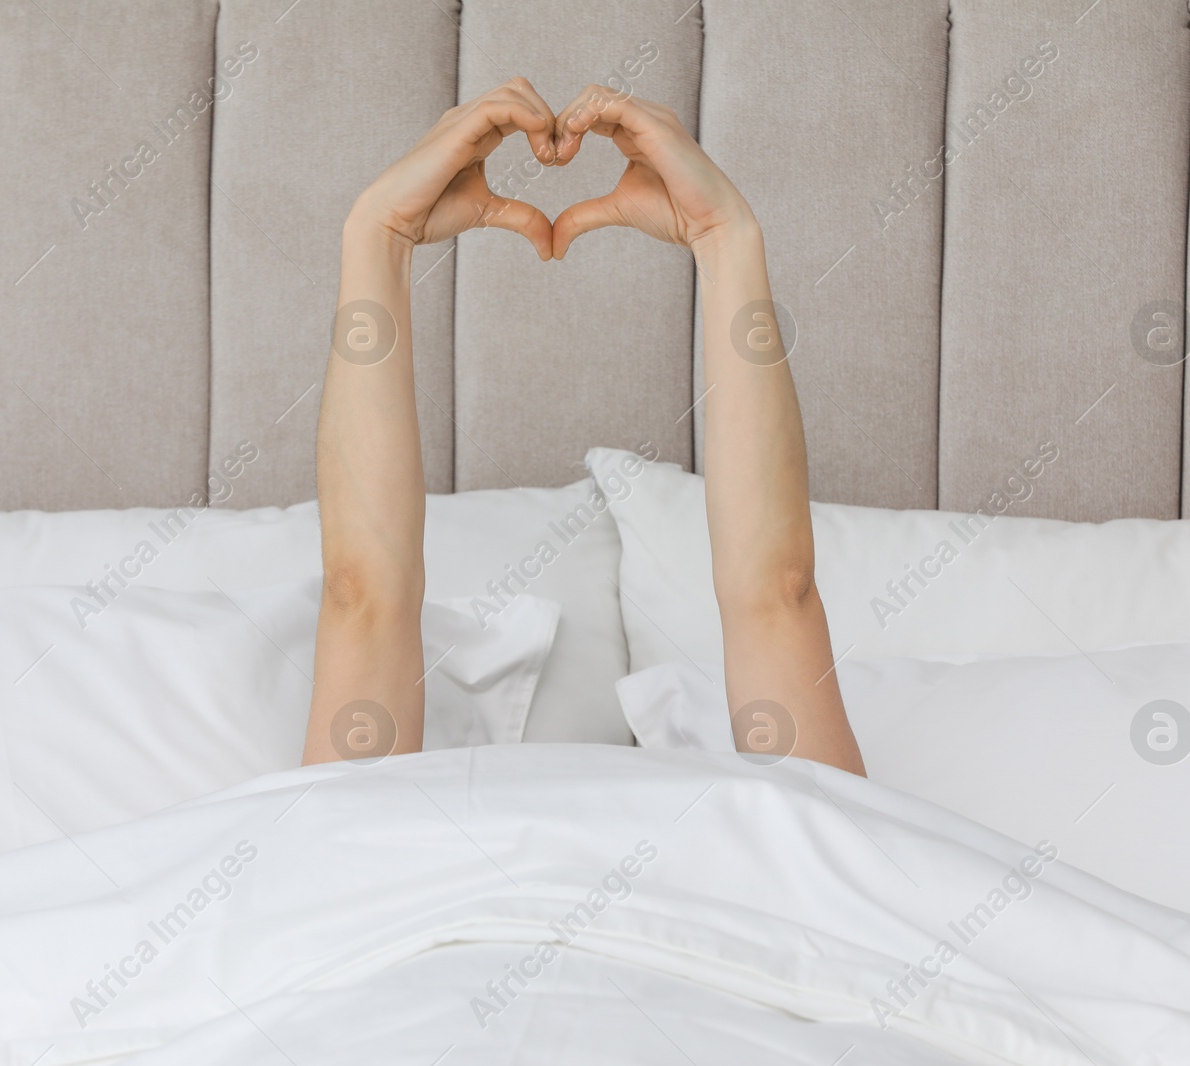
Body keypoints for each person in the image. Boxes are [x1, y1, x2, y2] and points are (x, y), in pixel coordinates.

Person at [303, 78, 865, 777]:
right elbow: (777, 596)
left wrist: (376, 236)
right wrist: (726, 238)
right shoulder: (798, 850)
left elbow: (364, 596)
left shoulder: (355, 842)